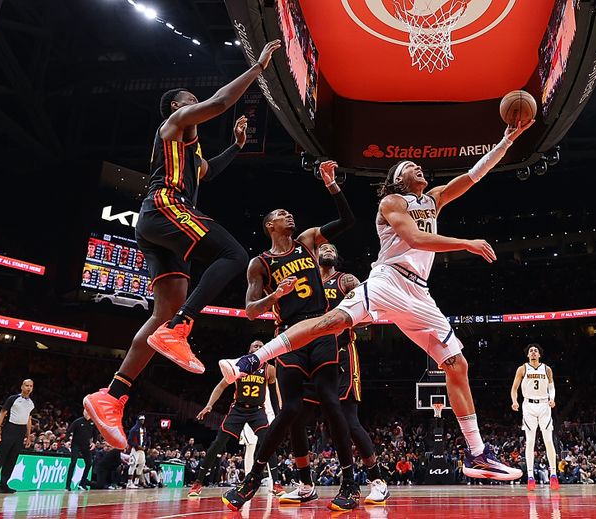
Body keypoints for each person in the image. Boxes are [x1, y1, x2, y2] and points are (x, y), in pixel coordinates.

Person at [219, 121, 534, 482]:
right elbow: (414, 238)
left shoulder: (433, 200)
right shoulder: (392, 201)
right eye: (409, 166)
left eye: (419, 167)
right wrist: (465, 243)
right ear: (398, 179)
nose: (418, 167)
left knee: (457, 364)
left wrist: (506, 140)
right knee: (330, 322)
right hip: (389, 279)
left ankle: (476, 454)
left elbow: (474, 175)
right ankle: (250, 360)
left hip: (420, 292)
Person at [83, 39, 282, 449]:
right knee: (234, 255)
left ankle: (110, 396)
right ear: (177, 108)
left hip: (161, 224)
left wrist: (237, 148)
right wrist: (258, 67)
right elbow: (222, 101)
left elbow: (206, 171)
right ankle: (183, 327)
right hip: (165, 206)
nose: (196, 105)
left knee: (161, 315)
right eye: (189, 100)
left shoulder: (189, 151)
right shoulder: (173, 126)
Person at [222, 160, 359, 512]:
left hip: (321, 327)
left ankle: (349, 482)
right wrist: (275, 296)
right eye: (282, 214)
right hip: (288, 336)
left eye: (289, 213)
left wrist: (332, 186)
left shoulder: (308, 241)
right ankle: (253, 480)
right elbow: (252, 310)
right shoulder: (260, 263)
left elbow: (347, 221)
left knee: (331, 402)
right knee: (290, 410)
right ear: (270, 225)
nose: (290, 217)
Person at [279, 243, 389, 506]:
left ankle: (377, 481)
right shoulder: (305, 284)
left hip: (340, 354)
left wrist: (342, 322)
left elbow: (370, 311)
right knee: (295, 417)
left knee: (348, 419)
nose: (327, 248)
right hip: (308, 355)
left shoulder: (345, 280)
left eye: (331, 247)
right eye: (321, 247)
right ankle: (306, 484)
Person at [187, 340, 283, 498]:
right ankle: (198, 482)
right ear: (249, 349)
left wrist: (279, 414)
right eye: (255, 346)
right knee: (218, 443)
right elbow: (221, 386)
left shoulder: (269, 369)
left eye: (261, 346)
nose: (258, 347)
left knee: (268, 443)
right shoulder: (239, 365)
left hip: (257, 411)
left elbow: (273, 394)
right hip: (238, 409)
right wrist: (209, 405)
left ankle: (277, 483)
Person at [510, 343, 560, 491]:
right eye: (531, 351)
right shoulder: (522, 368)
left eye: (535, 351)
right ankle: (530, 476)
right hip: (528, 405)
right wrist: (514, 401)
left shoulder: (547, 369)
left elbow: (551, 386)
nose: (533, 352)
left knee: (548, 440)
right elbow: (514, 388)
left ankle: (553, 474)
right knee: (530, 441)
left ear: (539, 355)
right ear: (527, 355)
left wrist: (552, 398)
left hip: (544, 405)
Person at [0, 379, 35, 494]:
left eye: (31, 386)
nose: (28, 388)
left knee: (12, 459)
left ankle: (3, 484)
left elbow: (29, 419)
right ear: (22, 386)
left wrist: (28, 436)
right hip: (10, 428)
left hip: (20, 432)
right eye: (26, 385)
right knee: (0, 457)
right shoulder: (13, 399)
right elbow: (2, 414)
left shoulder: (31, 403)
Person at [66, 409, 96, 491]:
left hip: (86, 446)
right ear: (83, 412)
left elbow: (95, 434)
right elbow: (68, 432)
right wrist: (67, 441)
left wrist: (94, 443)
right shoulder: (78, 421)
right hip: (76, 445)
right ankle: (67, 486)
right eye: (86, 411)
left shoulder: (93, 423)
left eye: (89, 412)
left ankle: (82, 484)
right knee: (73, 462)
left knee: (89, 463)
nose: (87, 413)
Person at [126, 415, 150, 488]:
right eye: (141, 420)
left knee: (142, 464)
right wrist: (136, 446)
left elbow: (145, 439)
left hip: (141, 450)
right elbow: (129, 440)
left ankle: (136, 482)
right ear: (138, 420)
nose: (142, 421)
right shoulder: (133, 429)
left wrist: (144, 446)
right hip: (135, 450)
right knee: (133, 465)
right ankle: (129, 483)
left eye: (143, 419)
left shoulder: (144, 429)